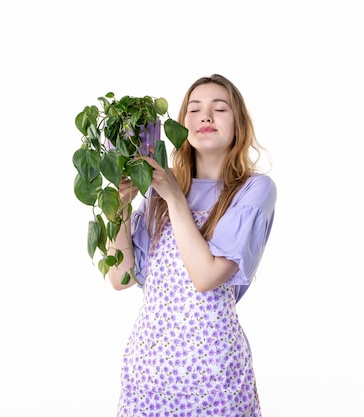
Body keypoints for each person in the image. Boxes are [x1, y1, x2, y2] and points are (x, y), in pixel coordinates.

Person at [107, 74, 277, 417]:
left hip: (214, 372)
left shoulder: (254, 190)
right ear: (182, 125)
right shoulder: (161, 187)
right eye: (195, 108)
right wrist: (120, 207)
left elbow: (205, 277)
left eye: (220, 108)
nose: (206, 116)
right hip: (150, 371)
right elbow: (120, 277)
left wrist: (174, 199)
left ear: (239, 124)